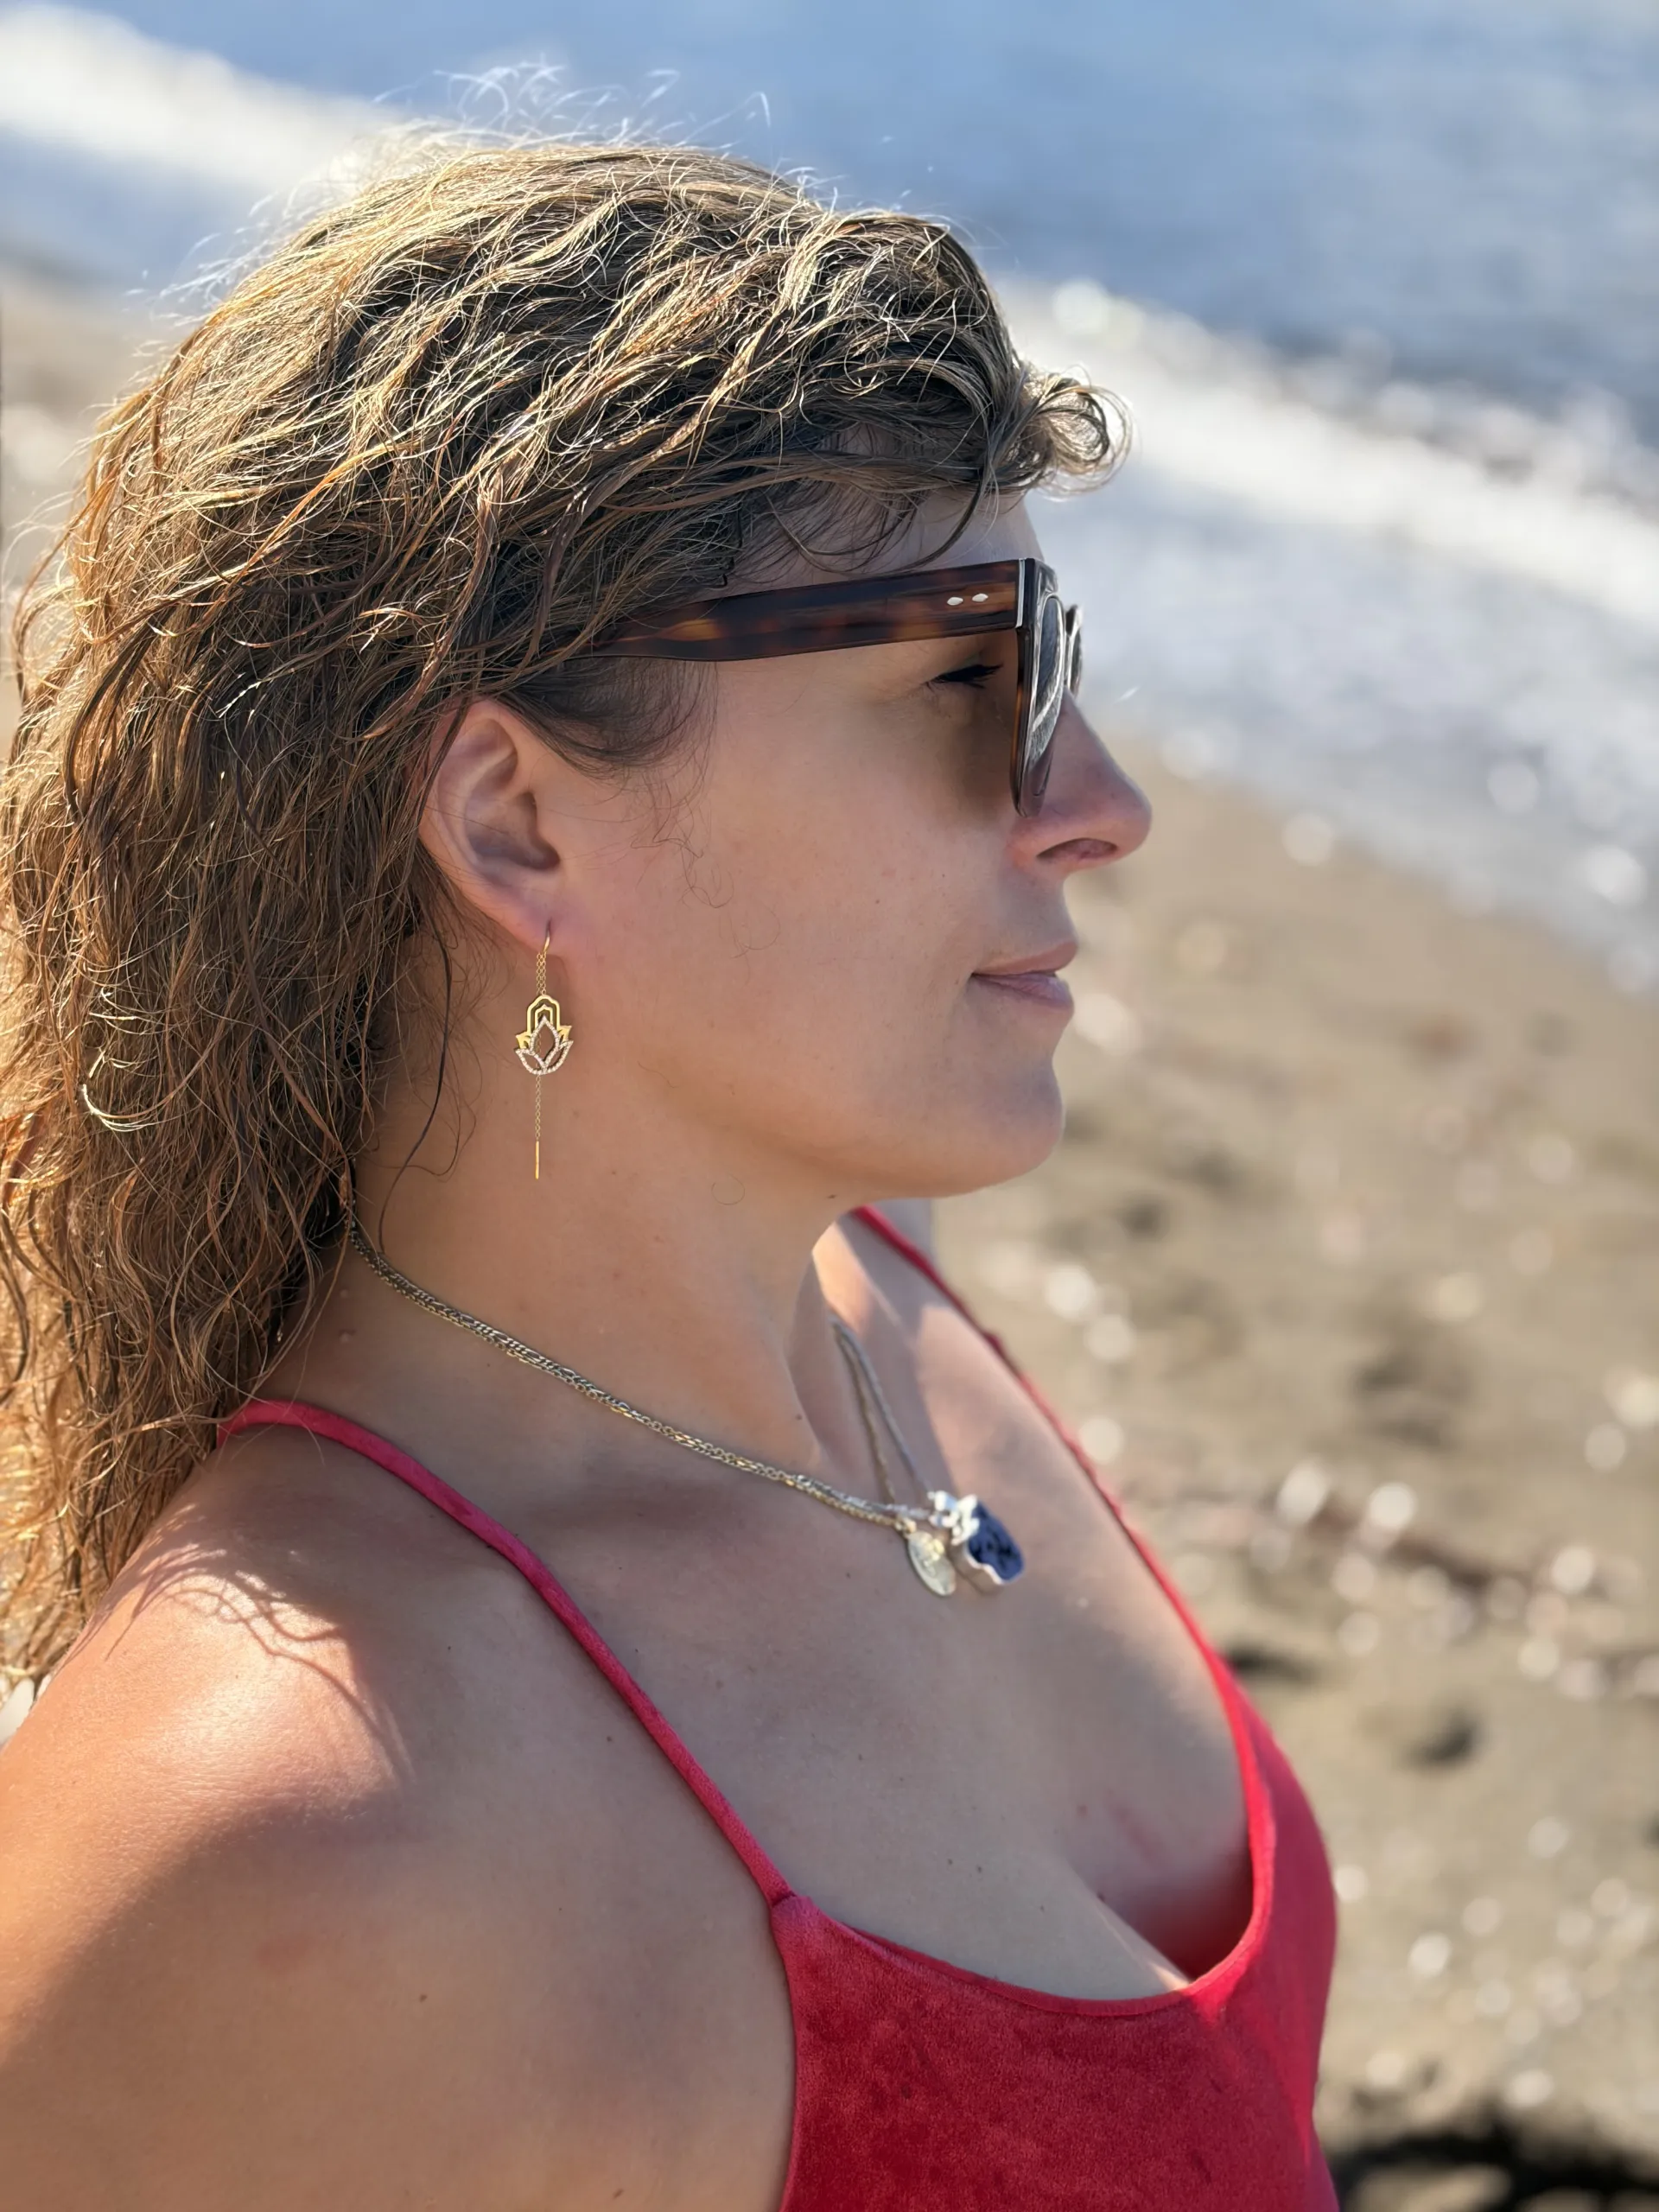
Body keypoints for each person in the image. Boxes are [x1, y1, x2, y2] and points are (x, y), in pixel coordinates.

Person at [0, 141, 1336, 2208]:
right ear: (518, 822)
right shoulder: (296, 1831)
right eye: (972, 681)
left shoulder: (874, 1294)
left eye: (1059, 659)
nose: (1103, 801)